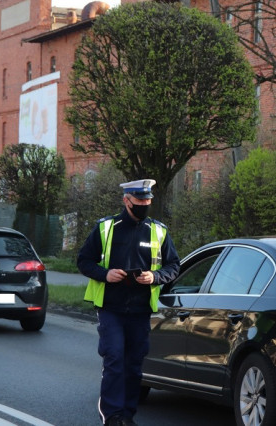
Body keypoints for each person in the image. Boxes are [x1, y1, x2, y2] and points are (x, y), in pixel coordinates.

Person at [77, 179, 180, 426]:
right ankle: (112, 416)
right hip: (111, 307)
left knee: (134, 366)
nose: (145, 204)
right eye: (139, 200)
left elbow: (174, 265)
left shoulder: (158, 231)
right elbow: (84, 260)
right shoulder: (106, 228)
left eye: (148, 201)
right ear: (126, 200)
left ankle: (127, 416)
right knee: (114, 359)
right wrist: (106, 274)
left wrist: (154, 277)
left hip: (140, 309)